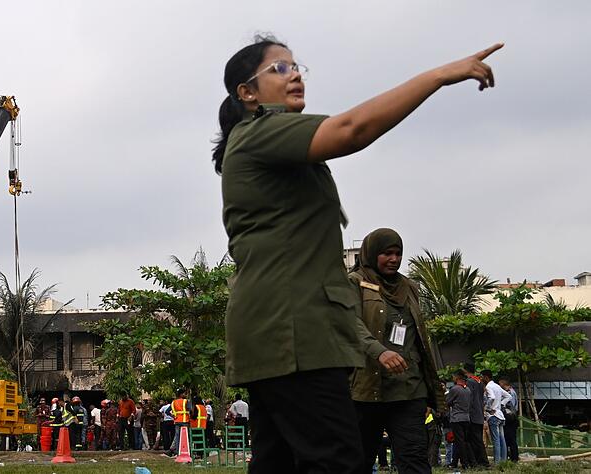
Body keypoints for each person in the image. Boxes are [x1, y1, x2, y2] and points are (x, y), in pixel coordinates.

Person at [215, 34, 502, 472]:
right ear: (247, 92)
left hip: (275, 328)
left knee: (280, 462)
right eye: (278, 68)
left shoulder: (270, 145)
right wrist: (441, 75)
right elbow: (352, 130)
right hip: (293, 330)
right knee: (337, 460)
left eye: (296, 67)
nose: (294, 75)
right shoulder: (259, 133)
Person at [349, 229, 446, 474]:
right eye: (386, 253)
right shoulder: (354, 282)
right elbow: (346, 322)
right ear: (371, 254)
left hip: (408, 390)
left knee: (415, 460)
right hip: (364, 391)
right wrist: (379, 351)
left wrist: (429, 388)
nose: (394, 259)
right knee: (357, 461)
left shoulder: (410, 287)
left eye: (398, 253)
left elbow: (418, 339)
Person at [446, 371, 475, 469]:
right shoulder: (468, 390)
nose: (453, 379)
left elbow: (448, 402)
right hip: (466, 418)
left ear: (457, 378)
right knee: (464, 441)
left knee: (460, 442)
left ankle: (465, 463)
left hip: (456, 418)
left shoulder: (454, 389)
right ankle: (461, 462)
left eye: (453, 377)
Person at [481, 369, 511, 464]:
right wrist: (501, 404)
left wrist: (488, 408)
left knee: (496, 440)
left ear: (486, 377)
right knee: (502, 439)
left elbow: (492, 397)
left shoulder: (489, 386)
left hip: (493, 416)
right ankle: (504, 460)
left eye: (482, 377)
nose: (481, 379)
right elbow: (508, 396)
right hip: (500, 416)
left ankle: (497, 462)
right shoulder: (497, 386)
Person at [462, 363, 489, 466]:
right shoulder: (479, 381)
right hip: (479, 414)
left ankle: (481, 461)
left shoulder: (469, 382)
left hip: (472, 414)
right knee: (478, 439)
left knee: (474, 439)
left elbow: (469, 398)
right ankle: (481, 461)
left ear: (465, 371)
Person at [499, 378, 520, 462]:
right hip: (511, 419)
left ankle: (514, 457)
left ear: (504, 384)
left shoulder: (510, 393)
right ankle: (511, 456)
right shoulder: (511, 392)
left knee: (511, 439)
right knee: (509, 438)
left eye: (500, 384)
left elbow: (511, 407)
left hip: (510, 419)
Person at [167, 388, 192, 456]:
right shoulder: (186, 401)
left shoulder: (173, 402)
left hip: (177, 421)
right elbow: (190, 410)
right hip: (185, 421)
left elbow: (167, 411)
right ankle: (187, 452)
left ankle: (178, 452)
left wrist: (173, 416)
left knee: (177, 437)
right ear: (181, 394)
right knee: (186, 437)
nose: (185, 395)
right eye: (184, 393)